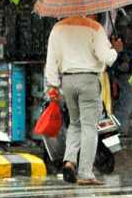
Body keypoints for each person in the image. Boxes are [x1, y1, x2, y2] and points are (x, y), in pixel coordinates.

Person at [44, 15, 123, 185]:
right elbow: (106, 58)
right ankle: (85, 172)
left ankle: (69, 161)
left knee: (75, 123)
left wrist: (53, 84)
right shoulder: (94, 28)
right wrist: (115, 49)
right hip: (88, 80)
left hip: (68, 81)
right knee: (89, 127)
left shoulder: (58, 28)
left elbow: (51, 59)